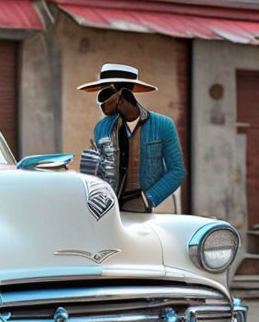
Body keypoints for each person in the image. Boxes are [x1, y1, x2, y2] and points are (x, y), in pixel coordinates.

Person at [77, 63, 185, 212]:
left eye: (106, 93)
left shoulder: (163, 125)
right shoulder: (102, 127)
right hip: (110, 209)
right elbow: (98, 172)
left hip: (152, 211)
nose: (101, 101)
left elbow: (177, 171)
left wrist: (147, 199)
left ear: (123, 93)